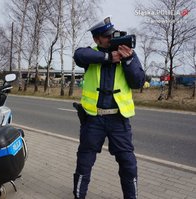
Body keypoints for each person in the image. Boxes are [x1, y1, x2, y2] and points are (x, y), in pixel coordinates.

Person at [73, 16, 145, 199]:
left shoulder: (128, 54)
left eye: (113, 34)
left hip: (118, 120)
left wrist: (127, 61)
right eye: (107, 36)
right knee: (84, 162)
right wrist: (108, 57)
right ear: (97, 39)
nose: (112, 38)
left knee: (128, 164)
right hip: (93, 119)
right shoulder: (92, 53)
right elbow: (79, 55)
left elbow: (138, 81)